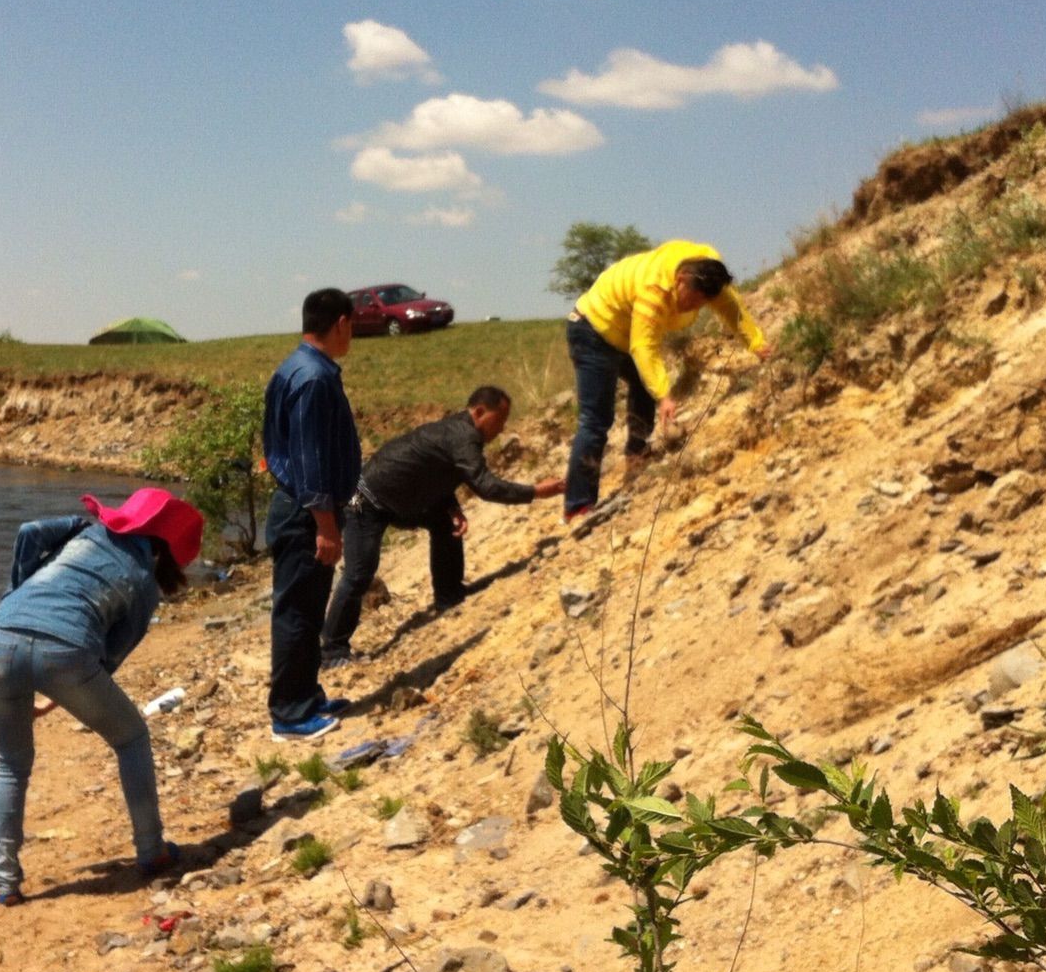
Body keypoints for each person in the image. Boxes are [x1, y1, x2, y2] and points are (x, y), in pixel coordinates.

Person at [0, 486, 204, 906]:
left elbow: (28, 530)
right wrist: (61, 693)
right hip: (66, 653)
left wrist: (18, 592)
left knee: (9, 762)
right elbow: (109, 655)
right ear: (166, 548)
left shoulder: (81, 530)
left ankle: (4, 882)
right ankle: (151, 850)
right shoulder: (143, 583)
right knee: (131, 737)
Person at [321, 385, 564, 664]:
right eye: (500, 419)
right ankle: (332, 651)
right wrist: (535, 492)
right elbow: (485, 486)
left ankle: (449, 595)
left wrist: (451, 507)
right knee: (359, 573)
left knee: (444, 522)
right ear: (480, 411)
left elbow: (436, 470)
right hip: (365, 501)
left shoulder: (458, 433)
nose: (501, 428)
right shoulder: (464, 436)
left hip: (396, 500)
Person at [565, 241, 770, 518]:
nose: (692, 307)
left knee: (642, 385)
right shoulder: (655, 290)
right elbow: (644, 346)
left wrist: (757, 344)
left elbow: (732, 309)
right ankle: (578, 506)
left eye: (701, 304)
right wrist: (665, 396)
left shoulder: (708, 274)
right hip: (592, 329)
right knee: (596, 419)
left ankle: (637, 456)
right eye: (692, 299)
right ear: (680, 279)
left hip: (623, 333)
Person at [262, 287, 362, 739]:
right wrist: (326, 525)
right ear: (340, 322)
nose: (353, 335)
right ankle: (289, 714)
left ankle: (305, 693)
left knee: (306, 607)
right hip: (305, 514)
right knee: (297, 614)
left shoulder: (299, 368)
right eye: (352, 326)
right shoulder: (314, 379)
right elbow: (309, 458)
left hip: (301, 509)